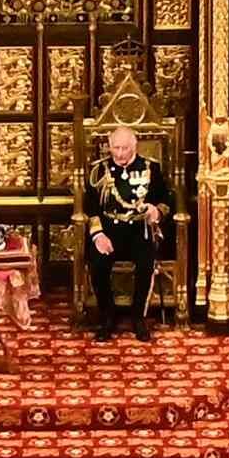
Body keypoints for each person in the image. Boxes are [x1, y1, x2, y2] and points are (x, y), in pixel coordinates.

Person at [82, 127, 178, 335]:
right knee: (97, 263)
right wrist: (98, 235)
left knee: (146, 263)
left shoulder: (150, 168)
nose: (119, 153)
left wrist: (156, 211)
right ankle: (107, 315)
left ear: (134, 146)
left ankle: (138, 317)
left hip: (139, 229)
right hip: (109, 230)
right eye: (115, 148)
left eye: (124, 148)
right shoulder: (99, 171)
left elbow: (166, 199)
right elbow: (91, 207)